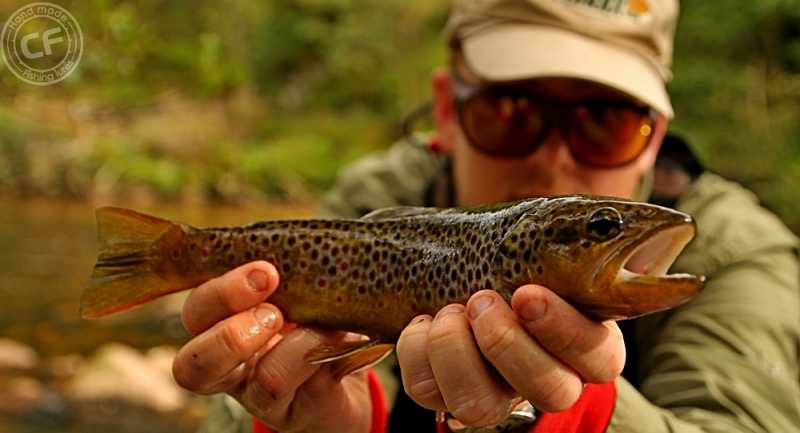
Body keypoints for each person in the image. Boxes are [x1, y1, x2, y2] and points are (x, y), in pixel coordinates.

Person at [174, 1, 800, 432]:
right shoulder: (371, 206)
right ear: (448, 110)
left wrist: (580, 417)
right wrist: (301, 414)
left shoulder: (739, 254)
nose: (554, 163)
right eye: (510, 111)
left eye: (604, 123)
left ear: (656, 135)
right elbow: (313, 384)